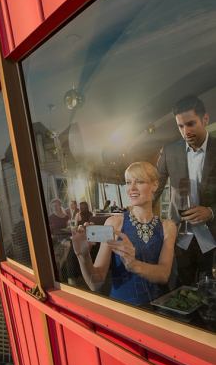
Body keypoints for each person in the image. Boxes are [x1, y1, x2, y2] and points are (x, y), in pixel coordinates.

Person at [72, 162, 177, 306]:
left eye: (139, 181)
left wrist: (133, 265)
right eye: (128, 183)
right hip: (124, 309)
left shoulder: (168, 227)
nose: (131, 188)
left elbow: (164, 274)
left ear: (155, 185)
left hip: (160, 311)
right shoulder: (113, 223)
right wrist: (83, 256)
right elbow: (95, 283)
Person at [155, 95, 216, 285]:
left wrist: (212, 211)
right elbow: (154, 188)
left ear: (205, 119)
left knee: (209, 290)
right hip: (179, 235)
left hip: (212, 236)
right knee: (181, 287)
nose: (185, 131)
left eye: (191, 124)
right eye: (180, 126)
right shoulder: (169, 151)